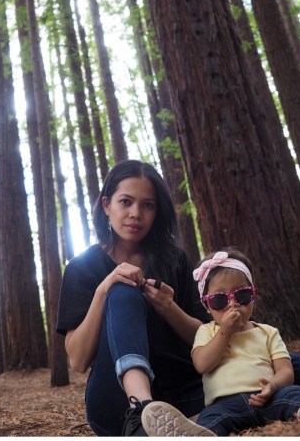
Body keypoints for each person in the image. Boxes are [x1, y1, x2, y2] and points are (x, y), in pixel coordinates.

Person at [56, 159, 211, 436]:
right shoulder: (82, 267)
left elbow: (205, 338)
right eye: (125, 202)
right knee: (121, 290)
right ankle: (142, 410)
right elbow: (78, 361)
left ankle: (184, 421)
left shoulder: (175, 260)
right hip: (115, 404)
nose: (136, 213)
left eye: (147, 205)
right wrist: (104, 290)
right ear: (107, 205)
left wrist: (170, 308)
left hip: (186, 393)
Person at [141, 248, 300, 436]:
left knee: (294, 394)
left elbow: (285, 370)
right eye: (219, 300)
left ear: (253, 295)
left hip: (269, 398)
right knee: (210, 418)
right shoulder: (206, 332)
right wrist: (225, 333)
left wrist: (273, 386)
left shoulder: (268, 332)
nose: (232, 303)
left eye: (242, 295)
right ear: (207, 306)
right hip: (225, 405)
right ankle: (199, 434)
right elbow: (202, 364)